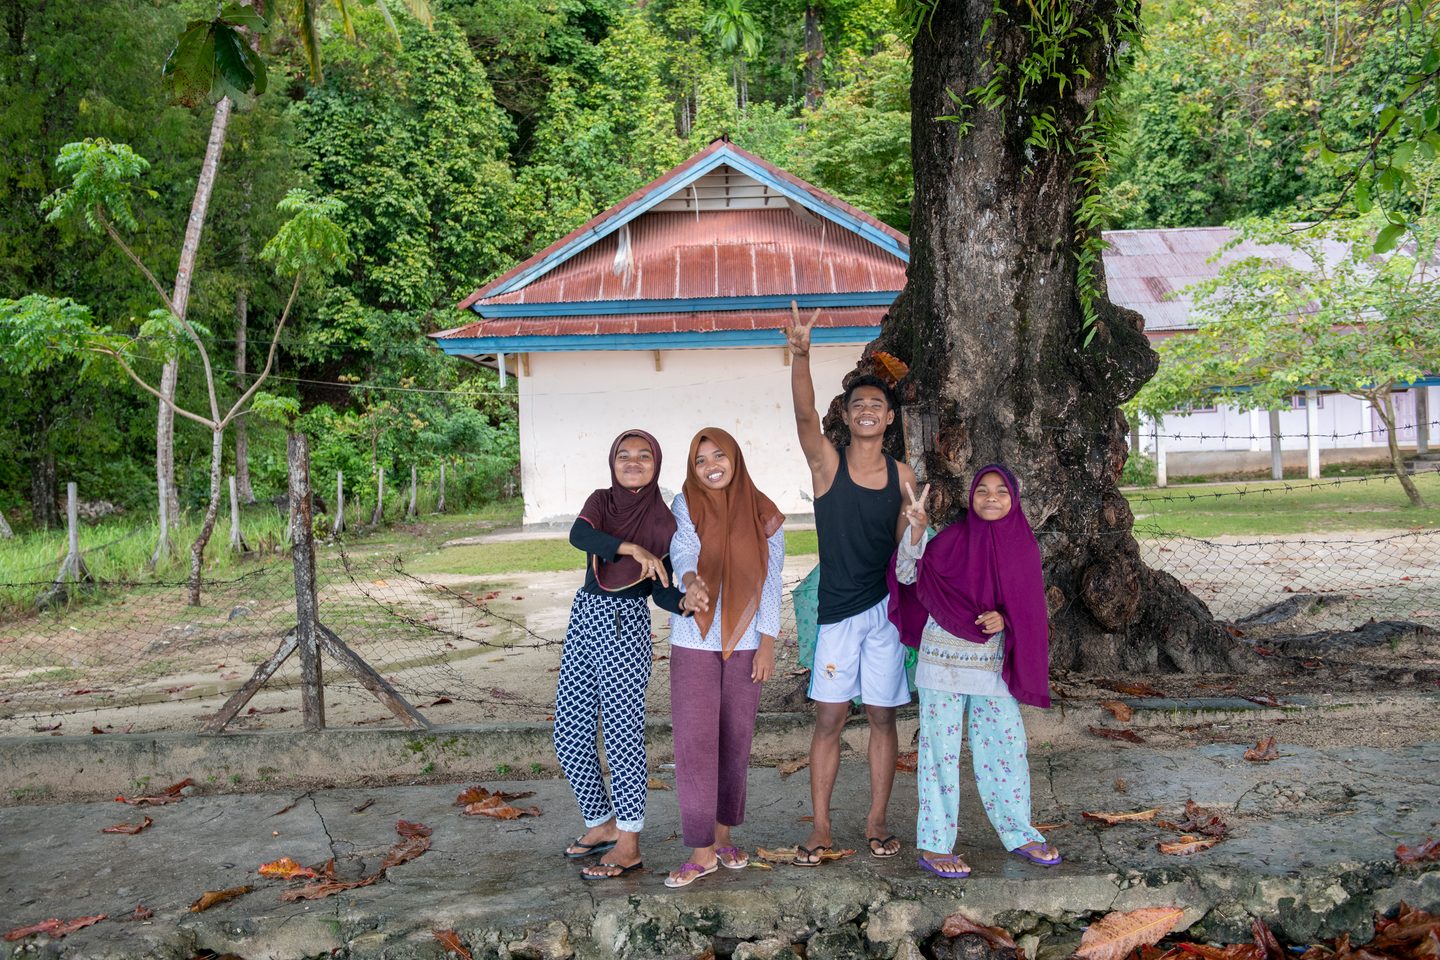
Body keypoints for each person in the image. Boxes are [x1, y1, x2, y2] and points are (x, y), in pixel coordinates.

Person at [784, 305, 920, 866]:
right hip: (837, 613)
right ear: (847, 414)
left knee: (884, 717)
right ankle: (820, 825)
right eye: (858, 404)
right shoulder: (827, 465)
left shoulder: (902, 475)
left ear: (890, 419)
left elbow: (904, 555)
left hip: (884, 614)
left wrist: (916, 531)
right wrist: (800, 355)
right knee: (830, 719)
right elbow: (802, 415)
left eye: (877, 405)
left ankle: (877, 819)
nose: (867, 410)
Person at [887, 465, 1060, 879]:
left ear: (1014, 499)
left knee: (1005, 747)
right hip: (942, 662)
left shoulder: (1023, 546)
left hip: (989, 665)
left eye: (1001, 491)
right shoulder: (950, 539)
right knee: (938, 755)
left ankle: (1019, 832)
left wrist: (1005, 619)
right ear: (971, 496)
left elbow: (1028, 608)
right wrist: (916, 532)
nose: (991, 498)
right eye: (982, 490)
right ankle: (933, 843)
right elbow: (907, 575)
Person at [554, 429, 684, 880]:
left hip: (625, 626)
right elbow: (578, 536)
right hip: (585, 617)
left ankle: (629, 843)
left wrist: (686, 601)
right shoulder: (601, 503)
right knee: (568, 732)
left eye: (643, 456)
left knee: (622, 736)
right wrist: (628, 546)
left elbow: (663, 590)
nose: (633, 462)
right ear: (612, 463)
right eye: (623, 455)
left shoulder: (665, 523)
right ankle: (602, 824)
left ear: (657, 463)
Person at [662, 428, 786, 888]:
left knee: (736, 737)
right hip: (693, 639)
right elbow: (683, 547)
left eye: (719, 455)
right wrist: (691, 580)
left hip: (748, 639)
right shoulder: (684, 503)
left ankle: (723, 834)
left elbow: (770, 581)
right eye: (700, 460)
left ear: (735, 457)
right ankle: (701, 850)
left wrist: (768, 641)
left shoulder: (764, 511)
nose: (711, 465)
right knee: (695, 742)